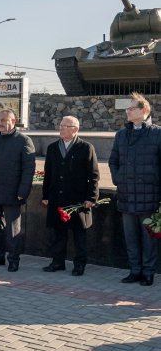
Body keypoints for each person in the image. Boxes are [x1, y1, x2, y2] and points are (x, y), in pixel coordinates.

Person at [109, 92, 161, 286]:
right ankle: (135, 270)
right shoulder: (122, 134)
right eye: (127, 108)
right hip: (127, 195)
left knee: (149, 239)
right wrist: (118, 179)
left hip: (150, 197)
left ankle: (148, 272)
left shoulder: (157, 134)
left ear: (144, 110)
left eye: (131, 108)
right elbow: (113, 160)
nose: (128, 111)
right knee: (131, 238)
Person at [0, 109, 36, 272]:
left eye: (4, 120)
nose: (0, 123)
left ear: (13, 121)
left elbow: (28, 170)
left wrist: (22, 192)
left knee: (12, 229)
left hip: (13, 194)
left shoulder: (23, 141)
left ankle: (13, 259)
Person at [42, 116, 99, 276]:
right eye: (60, 125)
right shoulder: (53, 147)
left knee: (79, 233)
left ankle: (79, 264)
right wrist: (45, 195)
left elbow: (94, 175)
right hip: (57, 196)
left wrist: (91, 198)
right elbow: (48, 174)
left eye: (65, 126)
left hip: (77, 198)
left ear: (75, 129)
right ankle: (57, 262)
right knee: (58, 233)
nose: (61, 129)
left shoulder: (86, 147)